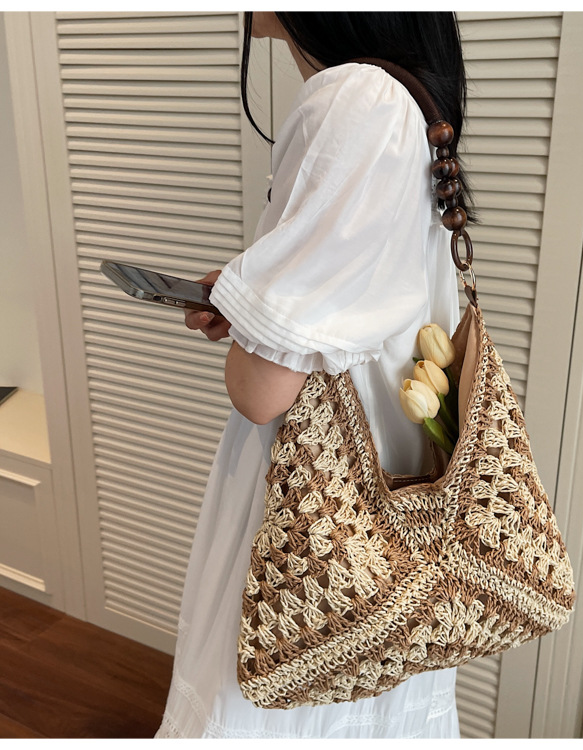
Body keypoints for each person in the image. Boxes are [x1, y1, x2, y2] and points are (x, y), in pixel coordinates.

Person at [154, 11, 473, 739]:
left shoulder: (351, 99)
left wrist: (263, 324)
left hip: (312, 510)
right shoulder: (411, 97)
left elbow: (260, 392)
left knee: (275, 688)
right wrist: (258, 297)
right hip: (399, 494)